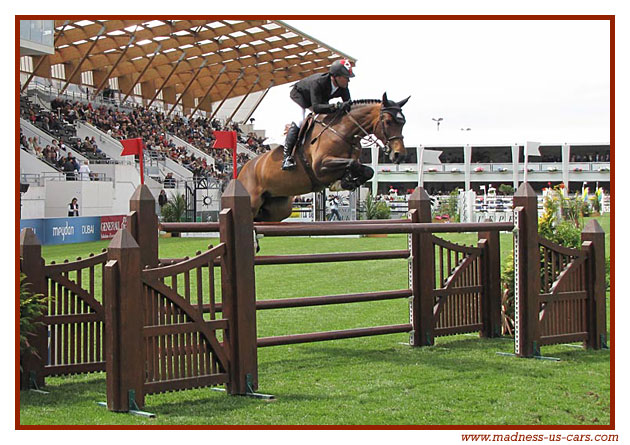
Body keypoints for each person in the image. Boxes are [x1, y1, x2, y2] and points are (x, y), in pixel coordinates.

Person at [281, 59, 355, 170]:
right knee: (299, 120)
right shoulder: (319, 82)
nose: (348, 81)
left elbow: (348, 105)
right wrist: (335, 106)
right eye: (346, 77)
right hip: (300, 97)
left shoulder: (343, 87)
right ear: (336, 76)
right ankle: (287, 158)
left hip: (317, 100)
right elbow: (316, 108)